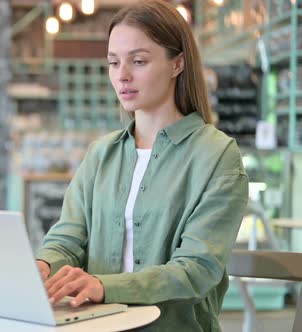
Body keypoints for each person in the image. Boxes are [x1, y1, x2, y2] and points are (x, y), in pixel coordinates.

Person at [34, 1, 249, 331]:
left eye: (138, 61)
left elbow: (196, 269)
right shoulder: (101, 154)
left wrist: (105, 287)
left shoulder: (217, 155)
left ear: (177, 64)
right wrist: (43, 266)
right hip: (96, 324)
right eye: (113, 62)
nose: (122, 75)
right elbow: (67, 240)